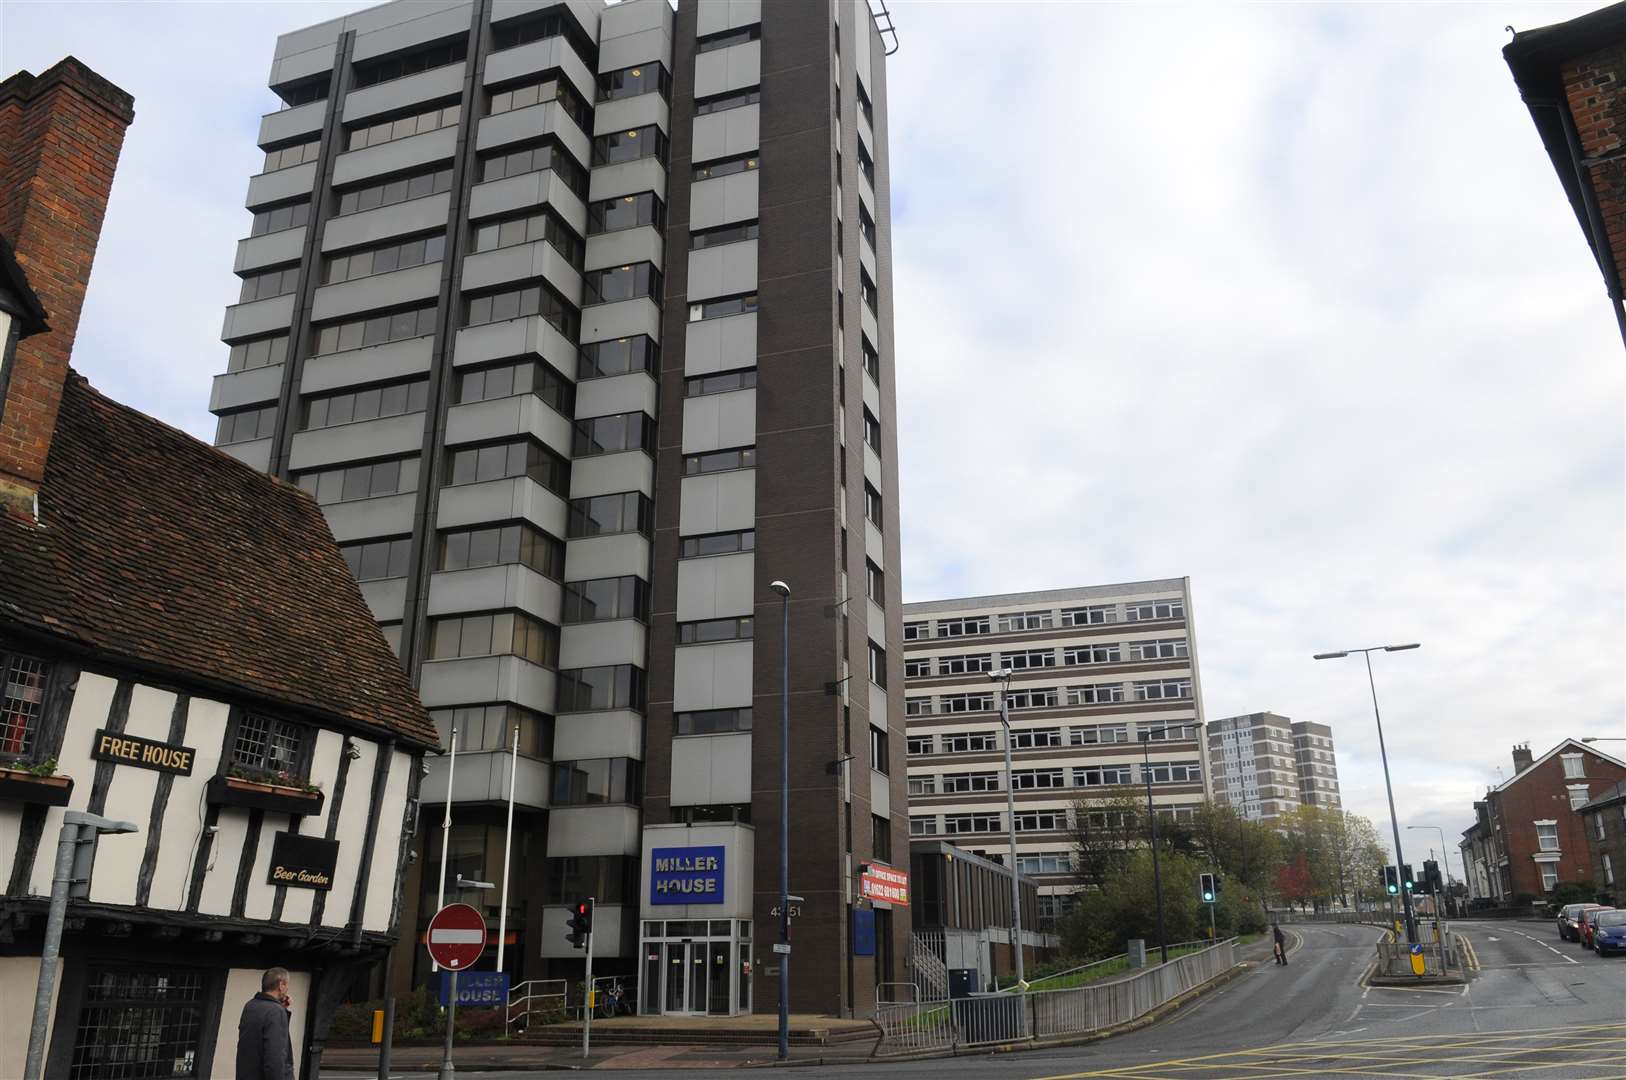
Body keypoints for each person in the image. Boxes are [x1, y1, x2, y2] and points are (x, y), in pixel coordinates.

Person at [237, 967, 295, 1080]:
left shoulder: (250, 1006)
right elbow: (274, 1058)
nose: (287, 989)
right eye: (287, 985)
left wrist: (282, 1008)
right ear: (281, 985)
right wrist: (280, 1010)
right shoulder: (275, 1012)